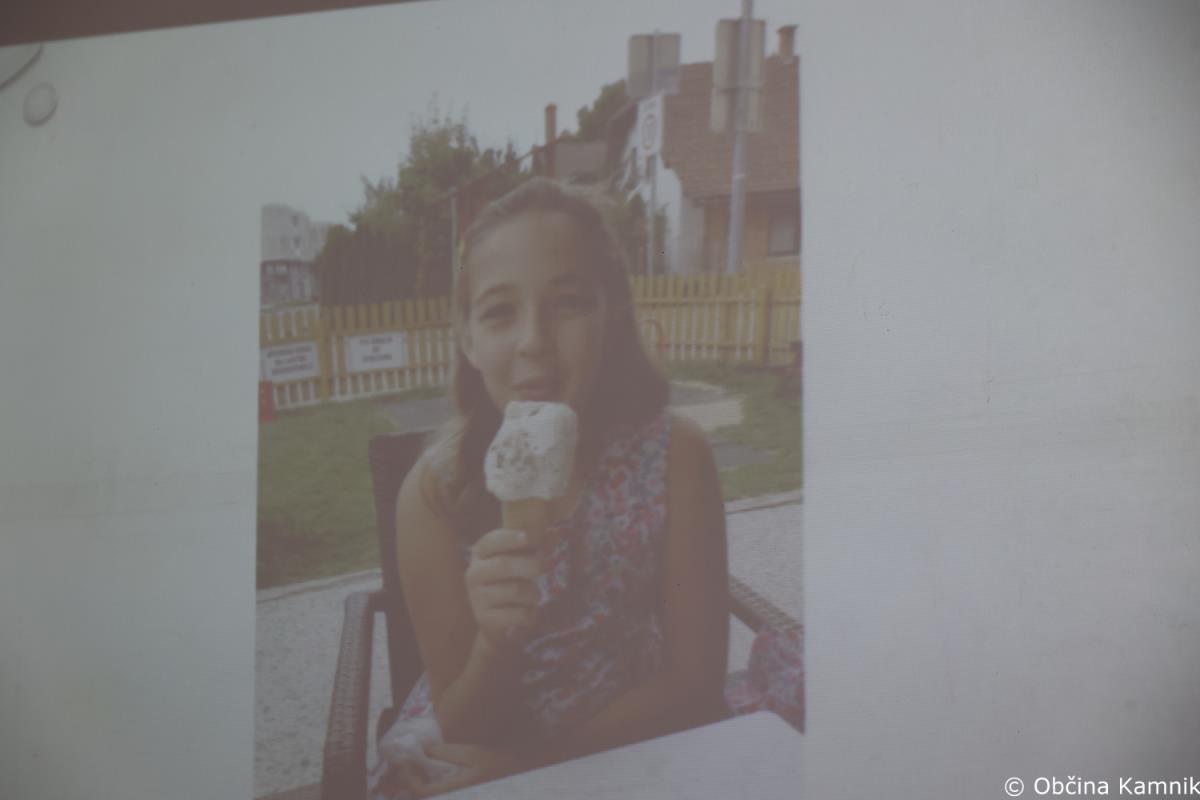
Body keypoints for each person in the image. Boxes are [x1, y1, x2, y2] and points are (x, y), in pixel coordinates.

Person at [368, 178, 730, 798]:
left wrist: (540, 766)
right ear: (468, 340)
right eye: (499, 312)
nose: (534, 340)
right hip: (474, 750)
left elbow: (696, 685)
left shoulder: (676, 457)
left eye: (568, 304)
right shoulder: (433, 496)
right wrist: (496, 642)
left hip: (631, 734)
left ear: (612, 316)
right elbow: (465, 725)